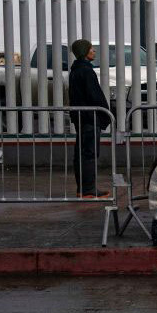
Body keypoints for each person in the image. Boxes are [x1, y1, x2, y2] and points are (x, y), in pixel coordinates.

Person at [68, 39, 111, 198]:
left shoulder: (75, 70)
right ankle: (89, 189)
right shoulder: (86, 71)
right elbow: (95, 95)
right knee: (90, 154)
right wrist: (106, 114)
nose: (94, 51)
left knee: (81, 153)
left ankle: (82, 188)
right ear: (84, 52)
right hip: (90, 117)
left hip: (80, 117)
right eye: (91, 48)